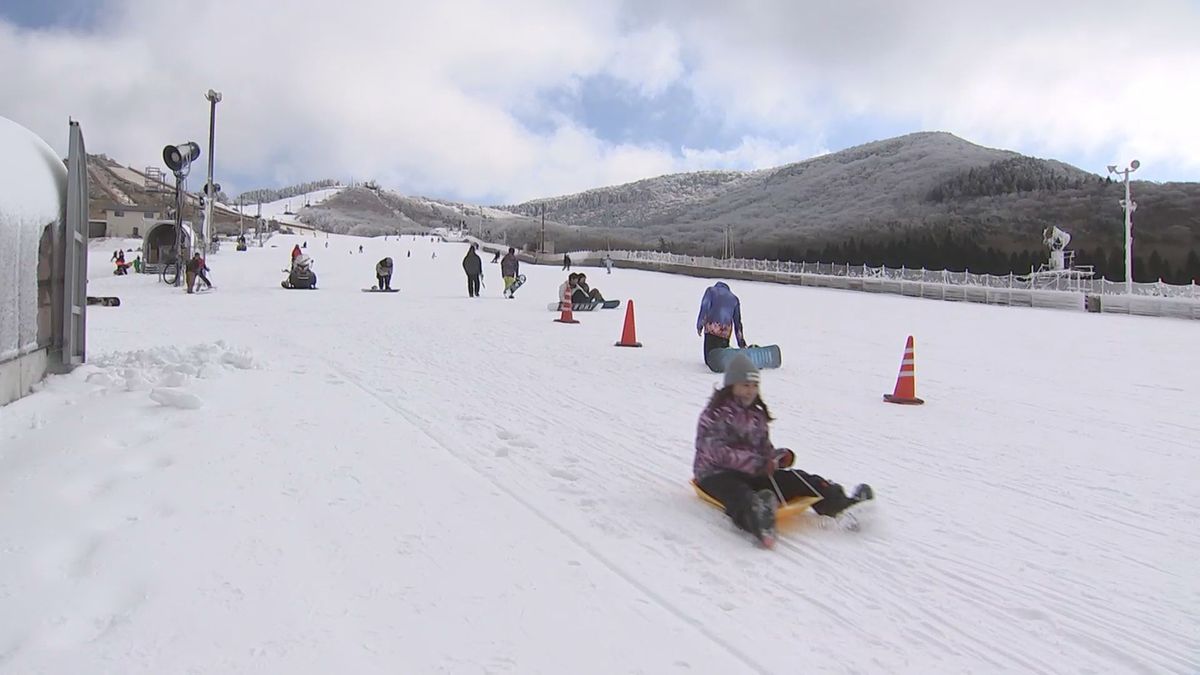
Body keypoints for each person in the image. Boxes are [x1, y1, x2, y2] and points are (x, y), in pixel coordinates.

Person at [693, 354, 874, 546]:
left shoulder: (756, 414)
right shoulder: (715, 413)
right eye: (745, 385)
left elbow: (763, 449)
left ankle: (843, 506)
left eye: (754, 386)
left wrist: (778, 458)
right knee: (738, 492)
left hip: (751, 471)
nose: (750, 391)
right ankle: (757, 518)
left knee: (797, 478)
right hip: (715, 474)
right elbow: (717, 452)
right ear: (732, 385)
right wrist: (757, 463)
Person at [696, 281, 746, 360]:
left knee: (710, 358)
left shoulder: (711, 291)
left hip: (712, 329)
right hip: (725, 332)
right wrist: (741, 342)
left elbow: (705, 307)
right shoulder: (734, 298)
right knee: (721, 357)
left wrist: (700, 324)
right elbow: (737, 322)